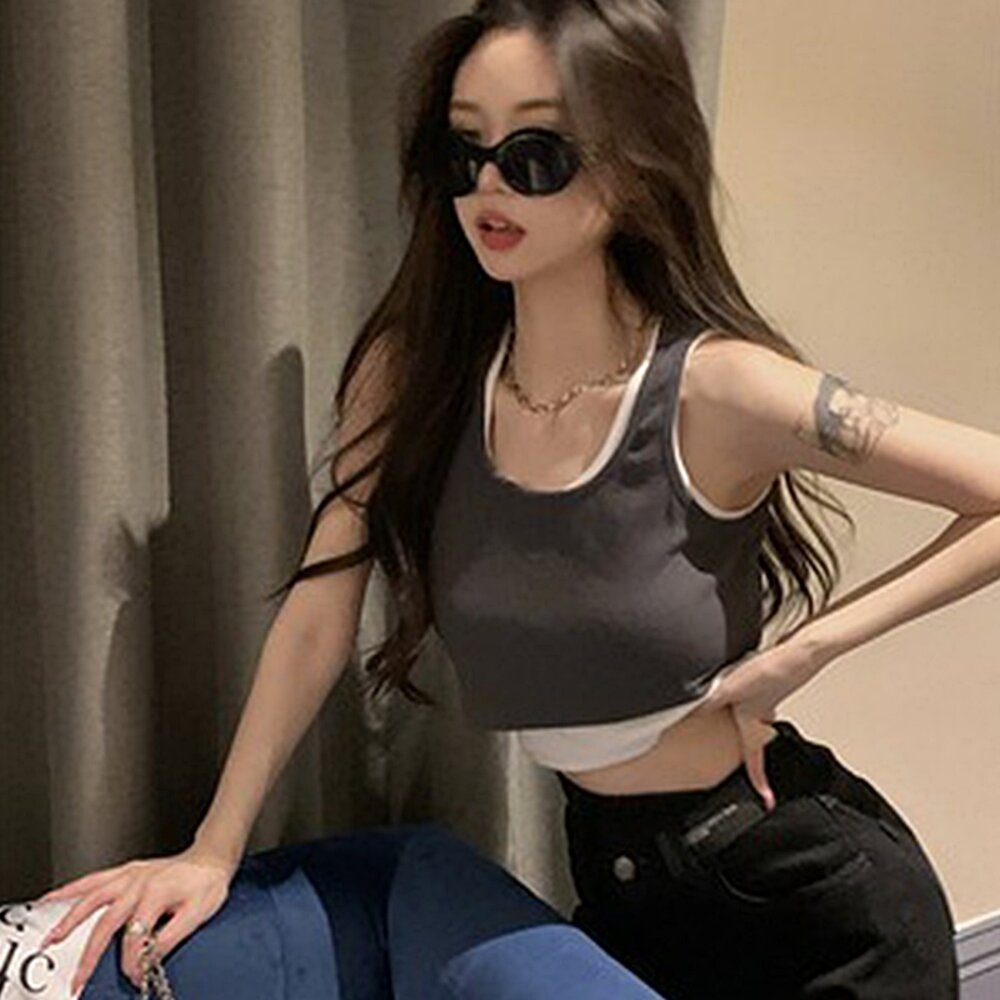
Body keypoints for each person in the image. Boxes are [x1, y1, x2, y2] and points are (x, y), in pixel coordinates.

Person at [35, 0, 996, 996]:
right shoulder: (417, 376)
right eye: (465, 153)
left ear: (635, 164)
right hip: (624, 891)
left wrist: (810, 648)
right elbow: (319, 615)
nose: (488, 186)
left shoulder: (720, 390)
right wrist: (213, 849)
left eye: (535, 154)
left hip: (809, 899)